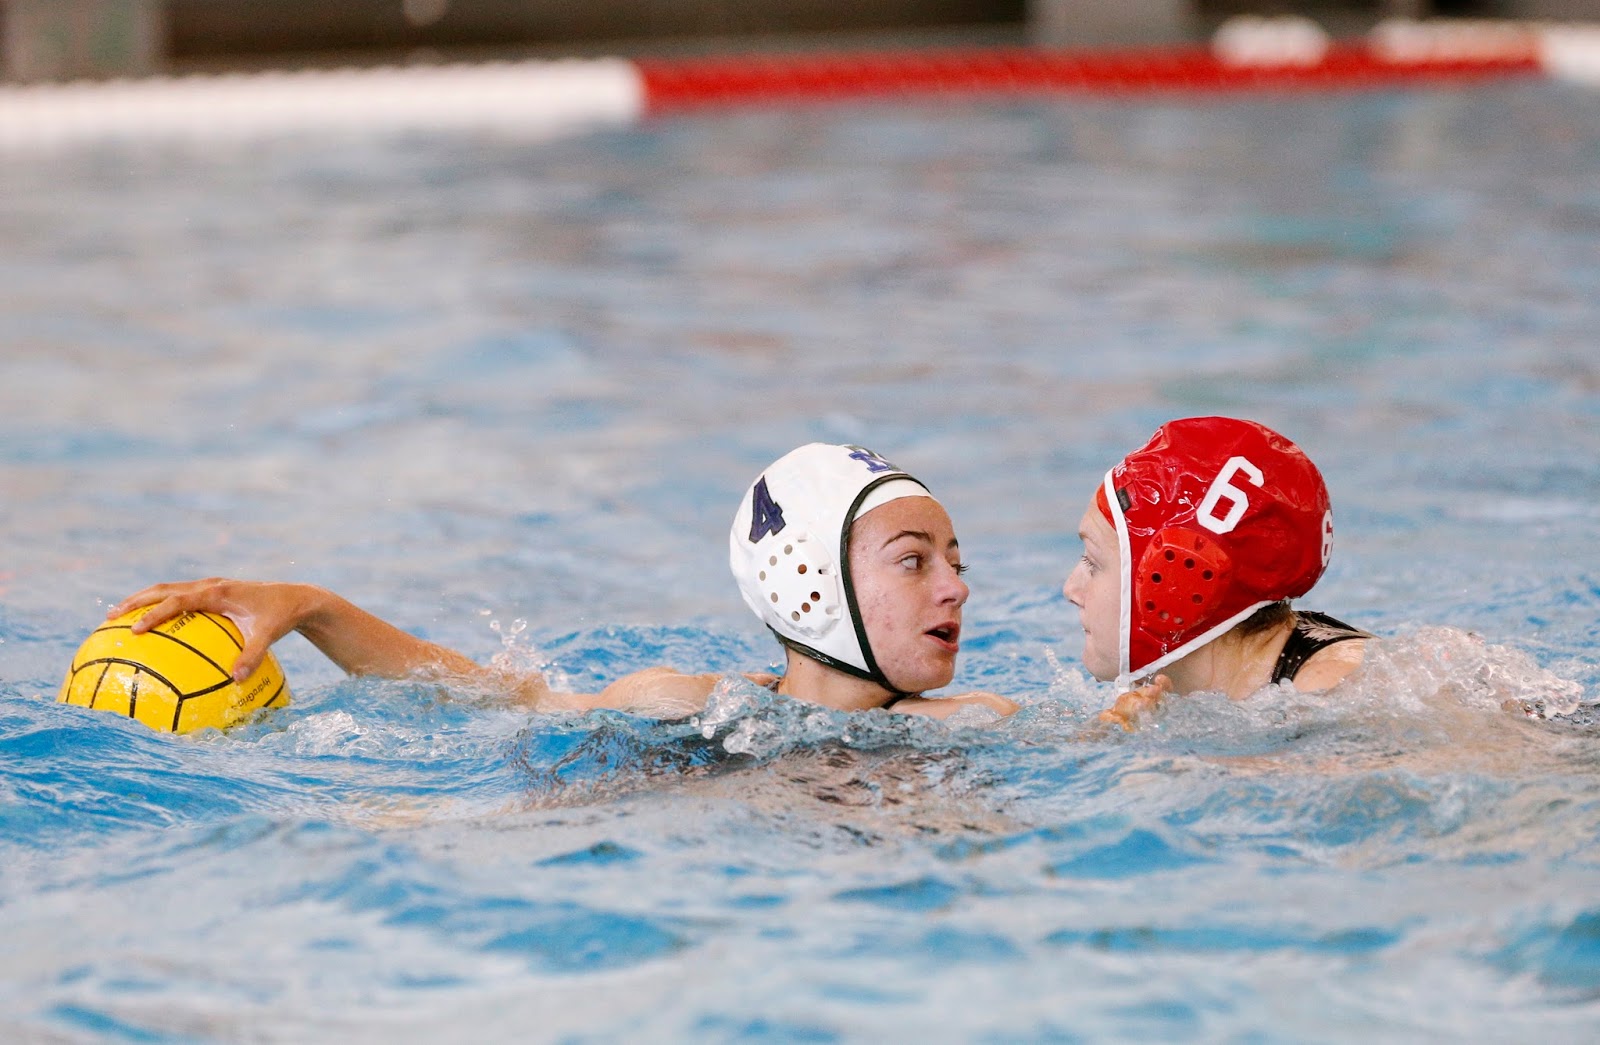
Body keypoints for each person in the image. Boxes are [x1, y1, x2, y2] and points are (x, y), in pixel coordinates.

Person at [105, 443, 1019, 722]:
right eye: (914, 560)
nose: (957, 589)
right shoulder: (688, 707)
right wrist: (313, 606)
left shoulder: (983, 725)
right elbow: (491, 696)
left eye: (955, 563)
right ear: (811, 583)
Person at [1071, 417, 1369, 729]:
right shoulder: (1207, 683)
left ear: (1181, 578)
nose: (1071, 589)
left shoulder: (1332, 690)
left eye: (1092, 563)